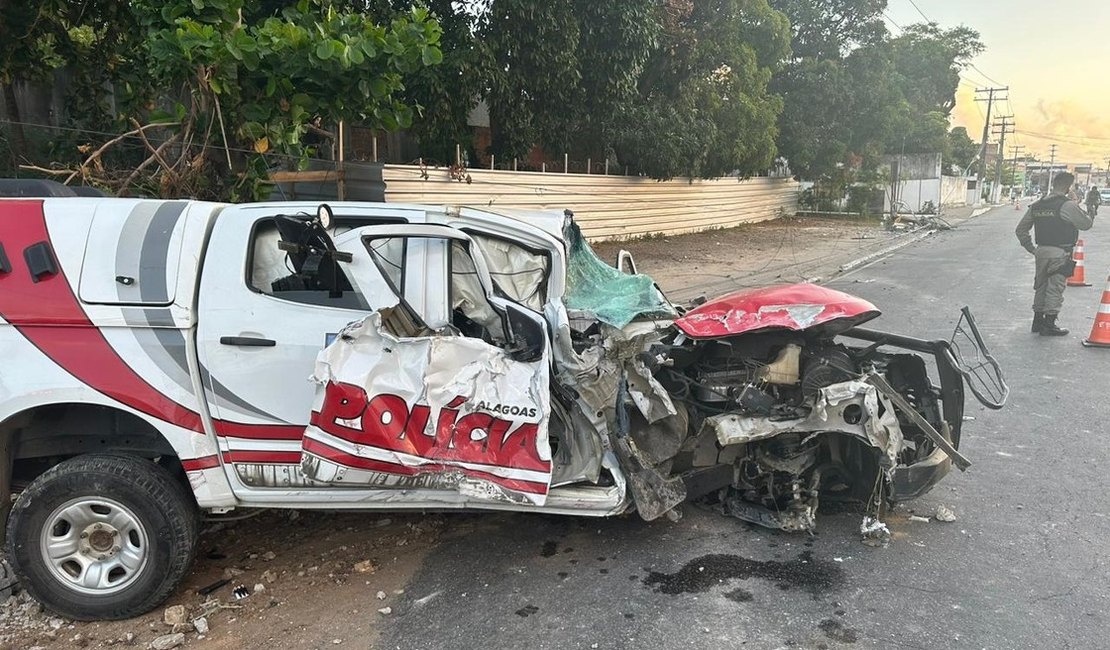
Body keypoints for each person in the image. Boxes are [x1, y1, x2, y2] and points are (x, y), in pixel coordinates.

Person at [1015, 172, 1094, 336]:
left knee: (1041, 286)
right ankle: (1049, 324)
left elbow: (1021, 230)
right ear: (1068, 187)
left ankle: (1037, 322)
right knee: (1055, 288)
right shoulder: (1067, 205)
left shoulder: (1037, 205)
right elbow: (1086, 224)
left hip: (1041, 251)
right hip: (1060, 252)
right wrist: (1077, 204)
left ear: (1054, 184)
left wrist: (1032, 249)